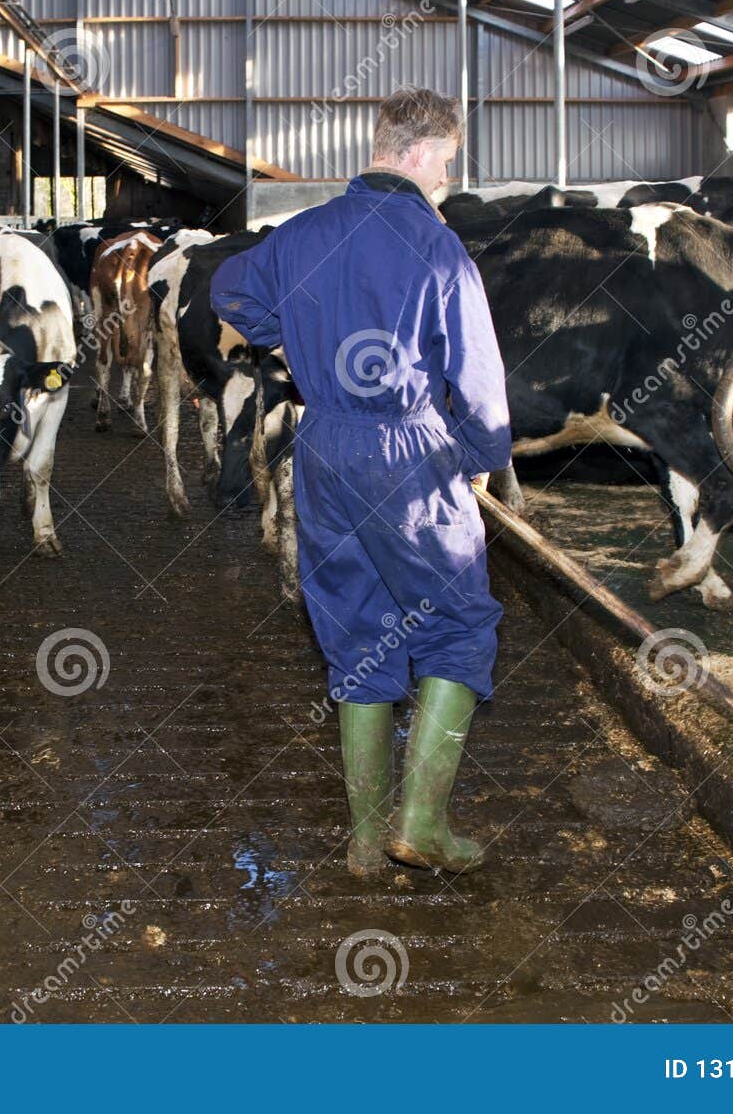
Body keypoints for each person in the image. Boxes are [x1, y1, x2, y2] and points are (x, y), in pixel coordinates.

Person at [211, 86, 512, 877]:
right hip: (410, 450)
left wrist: (296, 343)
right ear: (419, 153)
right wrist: (482, 452)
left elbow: (229, 290)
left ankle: (364, 842)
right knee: (459, 624)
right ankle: (421, 823)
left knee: (357, 632)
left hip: (323, 443)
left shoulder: (301, 233)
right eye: (445, 163)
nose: (445, 180)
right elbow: (477, 379)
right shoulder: (440, 246)